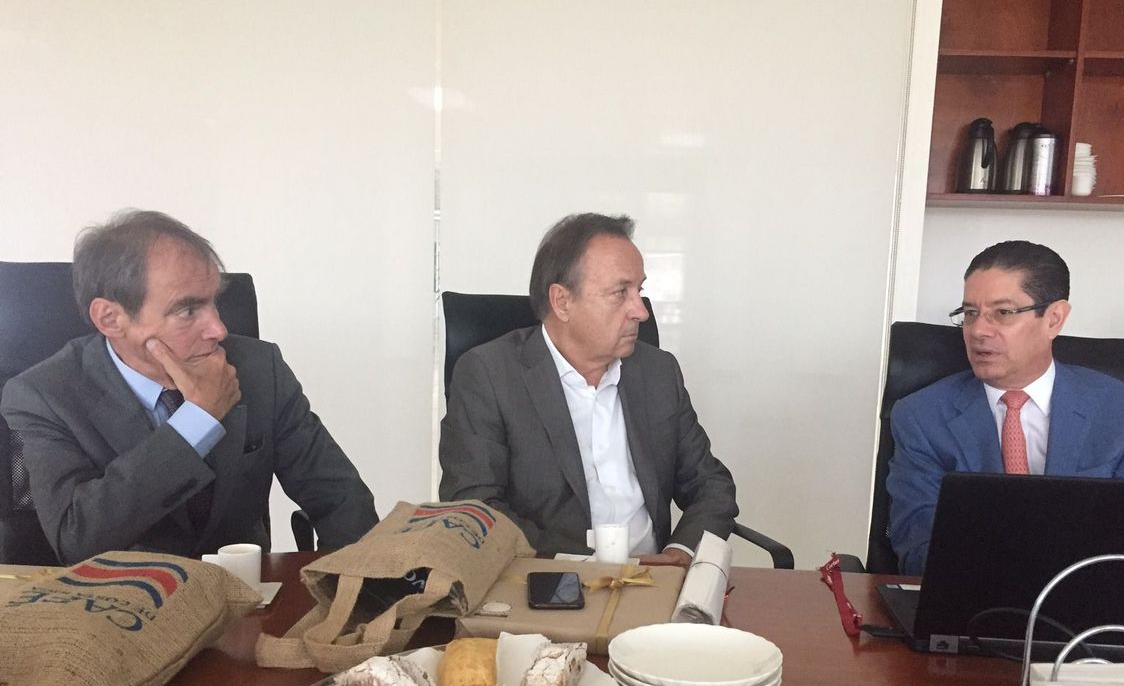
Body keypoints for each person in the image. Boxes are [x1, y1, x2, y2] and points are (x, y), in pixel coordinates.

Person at [1, 210, 378, 563]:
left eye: (215, 302)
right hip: (122, 599)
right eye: (187, 310)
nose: (219, 329)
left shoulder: (259, 368)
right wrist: (197, 421)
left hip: (247, 593)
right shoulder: (44, 396)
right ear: (111, 318)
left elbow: (341, 500)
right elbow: (77, 538)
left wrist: (350, 590)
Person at [438, 212, 737, 566]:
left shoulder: (657, 372)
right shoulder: (489, 375)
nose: (641, 311)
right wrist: (589, 569)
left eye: (639, 291)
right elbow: (475, 507)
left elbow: (710, 485)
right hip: (548, 577)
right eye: (620, 292)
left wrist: (679, 553)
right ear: (562, 302)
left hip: (654, 579)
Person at [887, 240, 1124, 576]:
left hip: (1087, 597)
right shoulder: (922, 417)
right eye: (970, 313)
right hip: (971, 593)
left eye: (1003, 313)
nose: (978, 331)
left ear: (1054, 319)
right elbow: (918, 548)